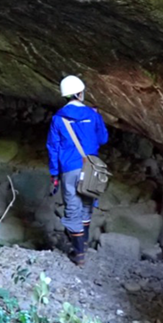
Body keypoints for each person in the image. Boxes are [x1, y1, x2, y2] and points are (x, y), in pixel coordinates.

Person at [46, 75, 108, 267]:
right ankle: (85, 244)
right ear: (81, 93)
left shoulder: (58, 119)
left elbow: (53, 147)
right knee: (87, 205)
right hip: (90, 168)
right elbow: (103, 139)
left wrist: (54, 173)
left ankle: (79, 254)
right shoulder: (93, 115)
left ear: (65, 96)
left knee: (72, 207)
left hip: (69, 168)